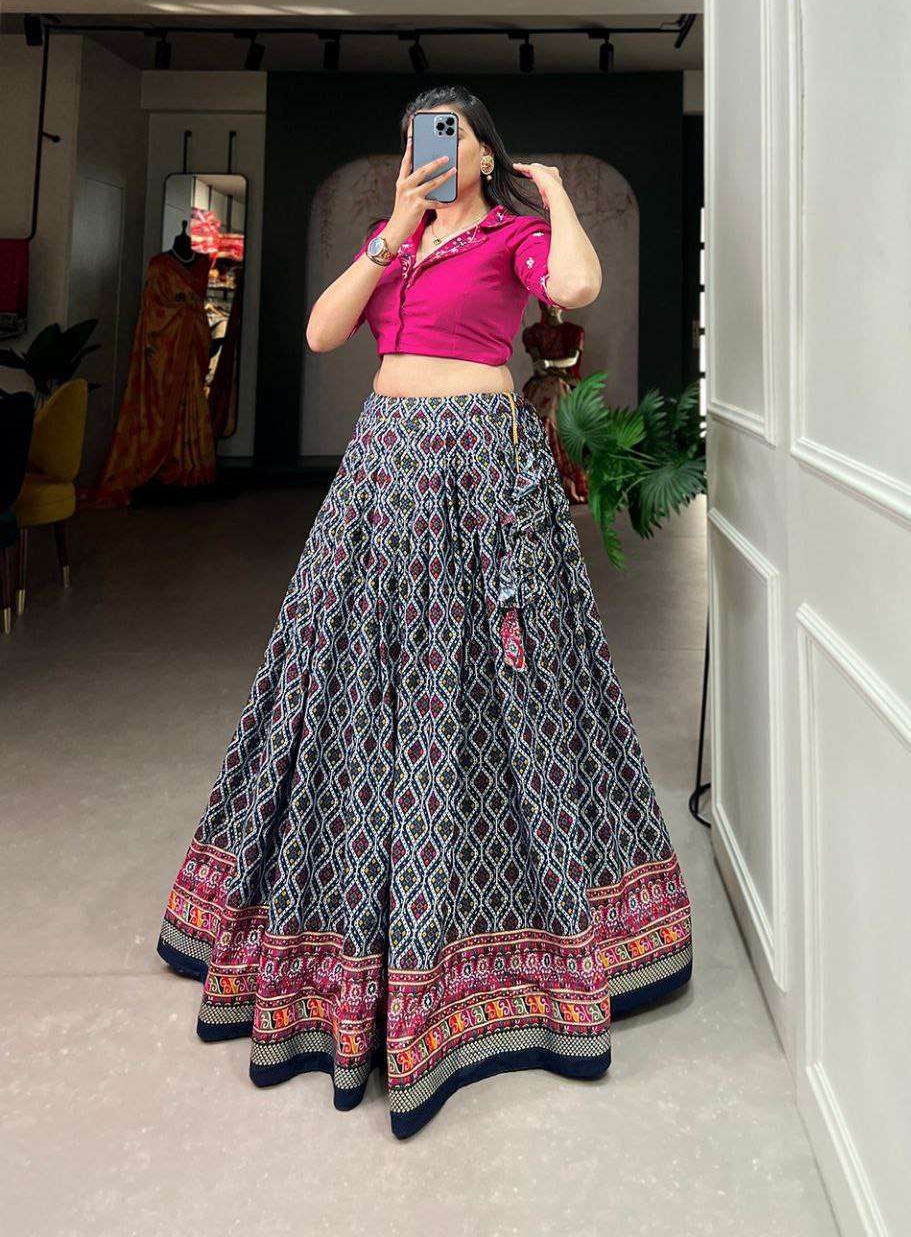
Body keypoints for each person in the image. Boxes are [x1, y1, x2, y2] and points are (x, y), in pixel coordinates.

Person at [156, 84, 693, 1140]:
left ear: (484, 154)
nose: (429, 156)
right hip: (382, 468)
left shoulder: (512, 236)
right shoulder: (392, 239)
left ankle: (492, 912)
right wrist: (393, 227)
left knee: (495, 680)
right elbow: (322, 333)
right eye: (415, 142)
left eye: (447, 141)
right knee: (348, 676)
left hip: (477, 469)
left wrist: (554, 195)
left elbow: (574, 285)